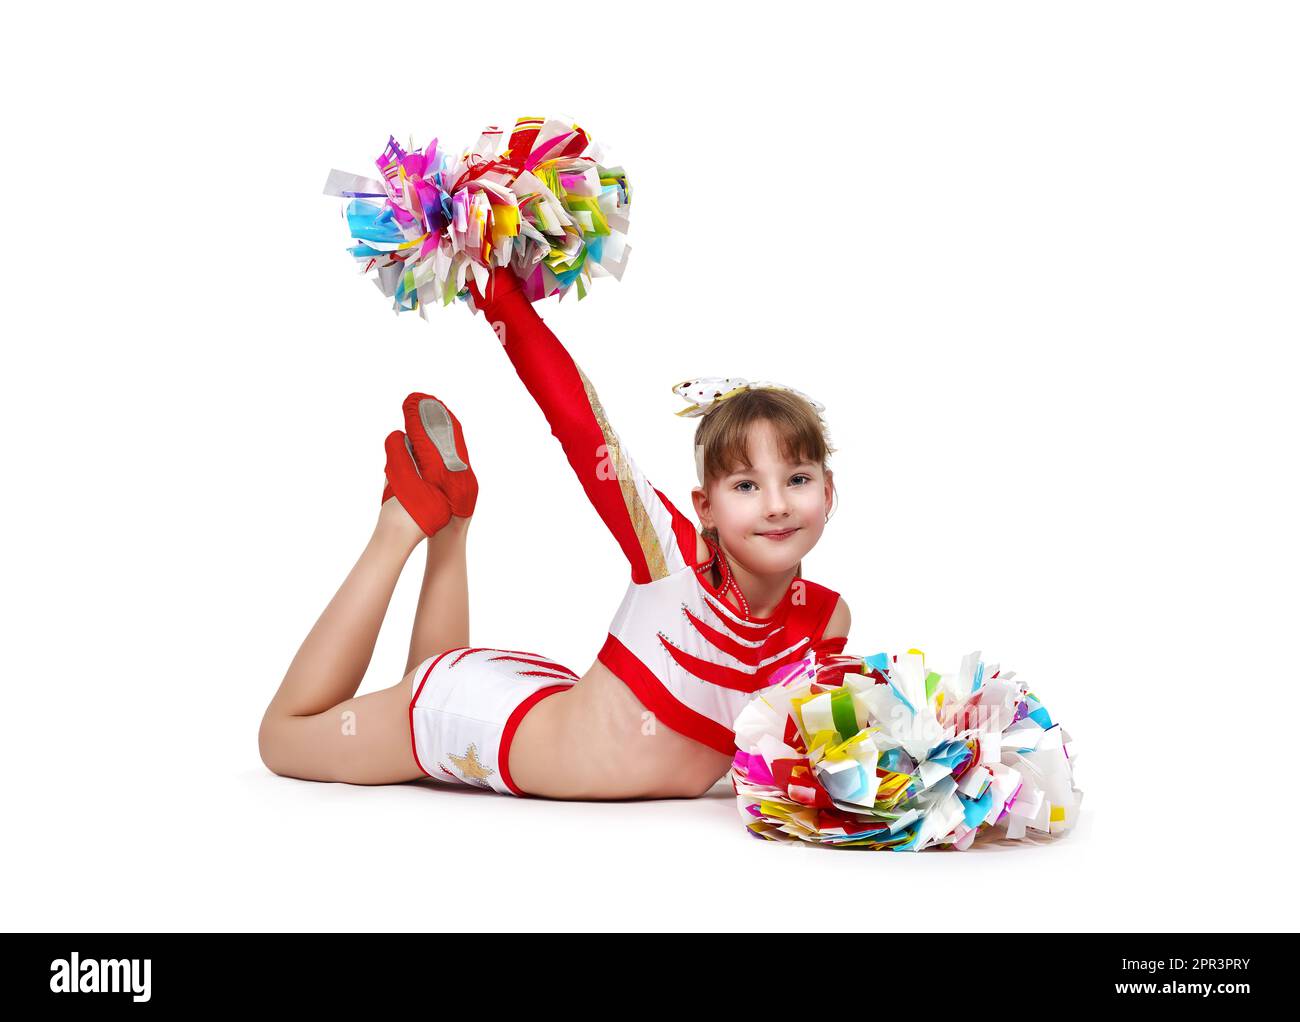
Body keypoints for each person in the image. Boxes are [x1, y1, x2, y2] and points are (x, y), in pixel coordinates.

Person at [258, 265, 851, 800]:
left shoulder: (826, 620)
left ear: (828, 492)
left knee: (435, 667)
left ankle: (453, 520)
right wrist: (499, 295)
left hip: (537, 691)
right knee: (282, 739)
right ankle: (401, 525)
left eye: (796, 478)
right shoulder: (674, 557)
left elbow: (797, 754)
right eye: (746, 486)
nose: (776, 505)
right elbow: (581, 422)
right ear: (706, 508)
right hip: (474, 721)